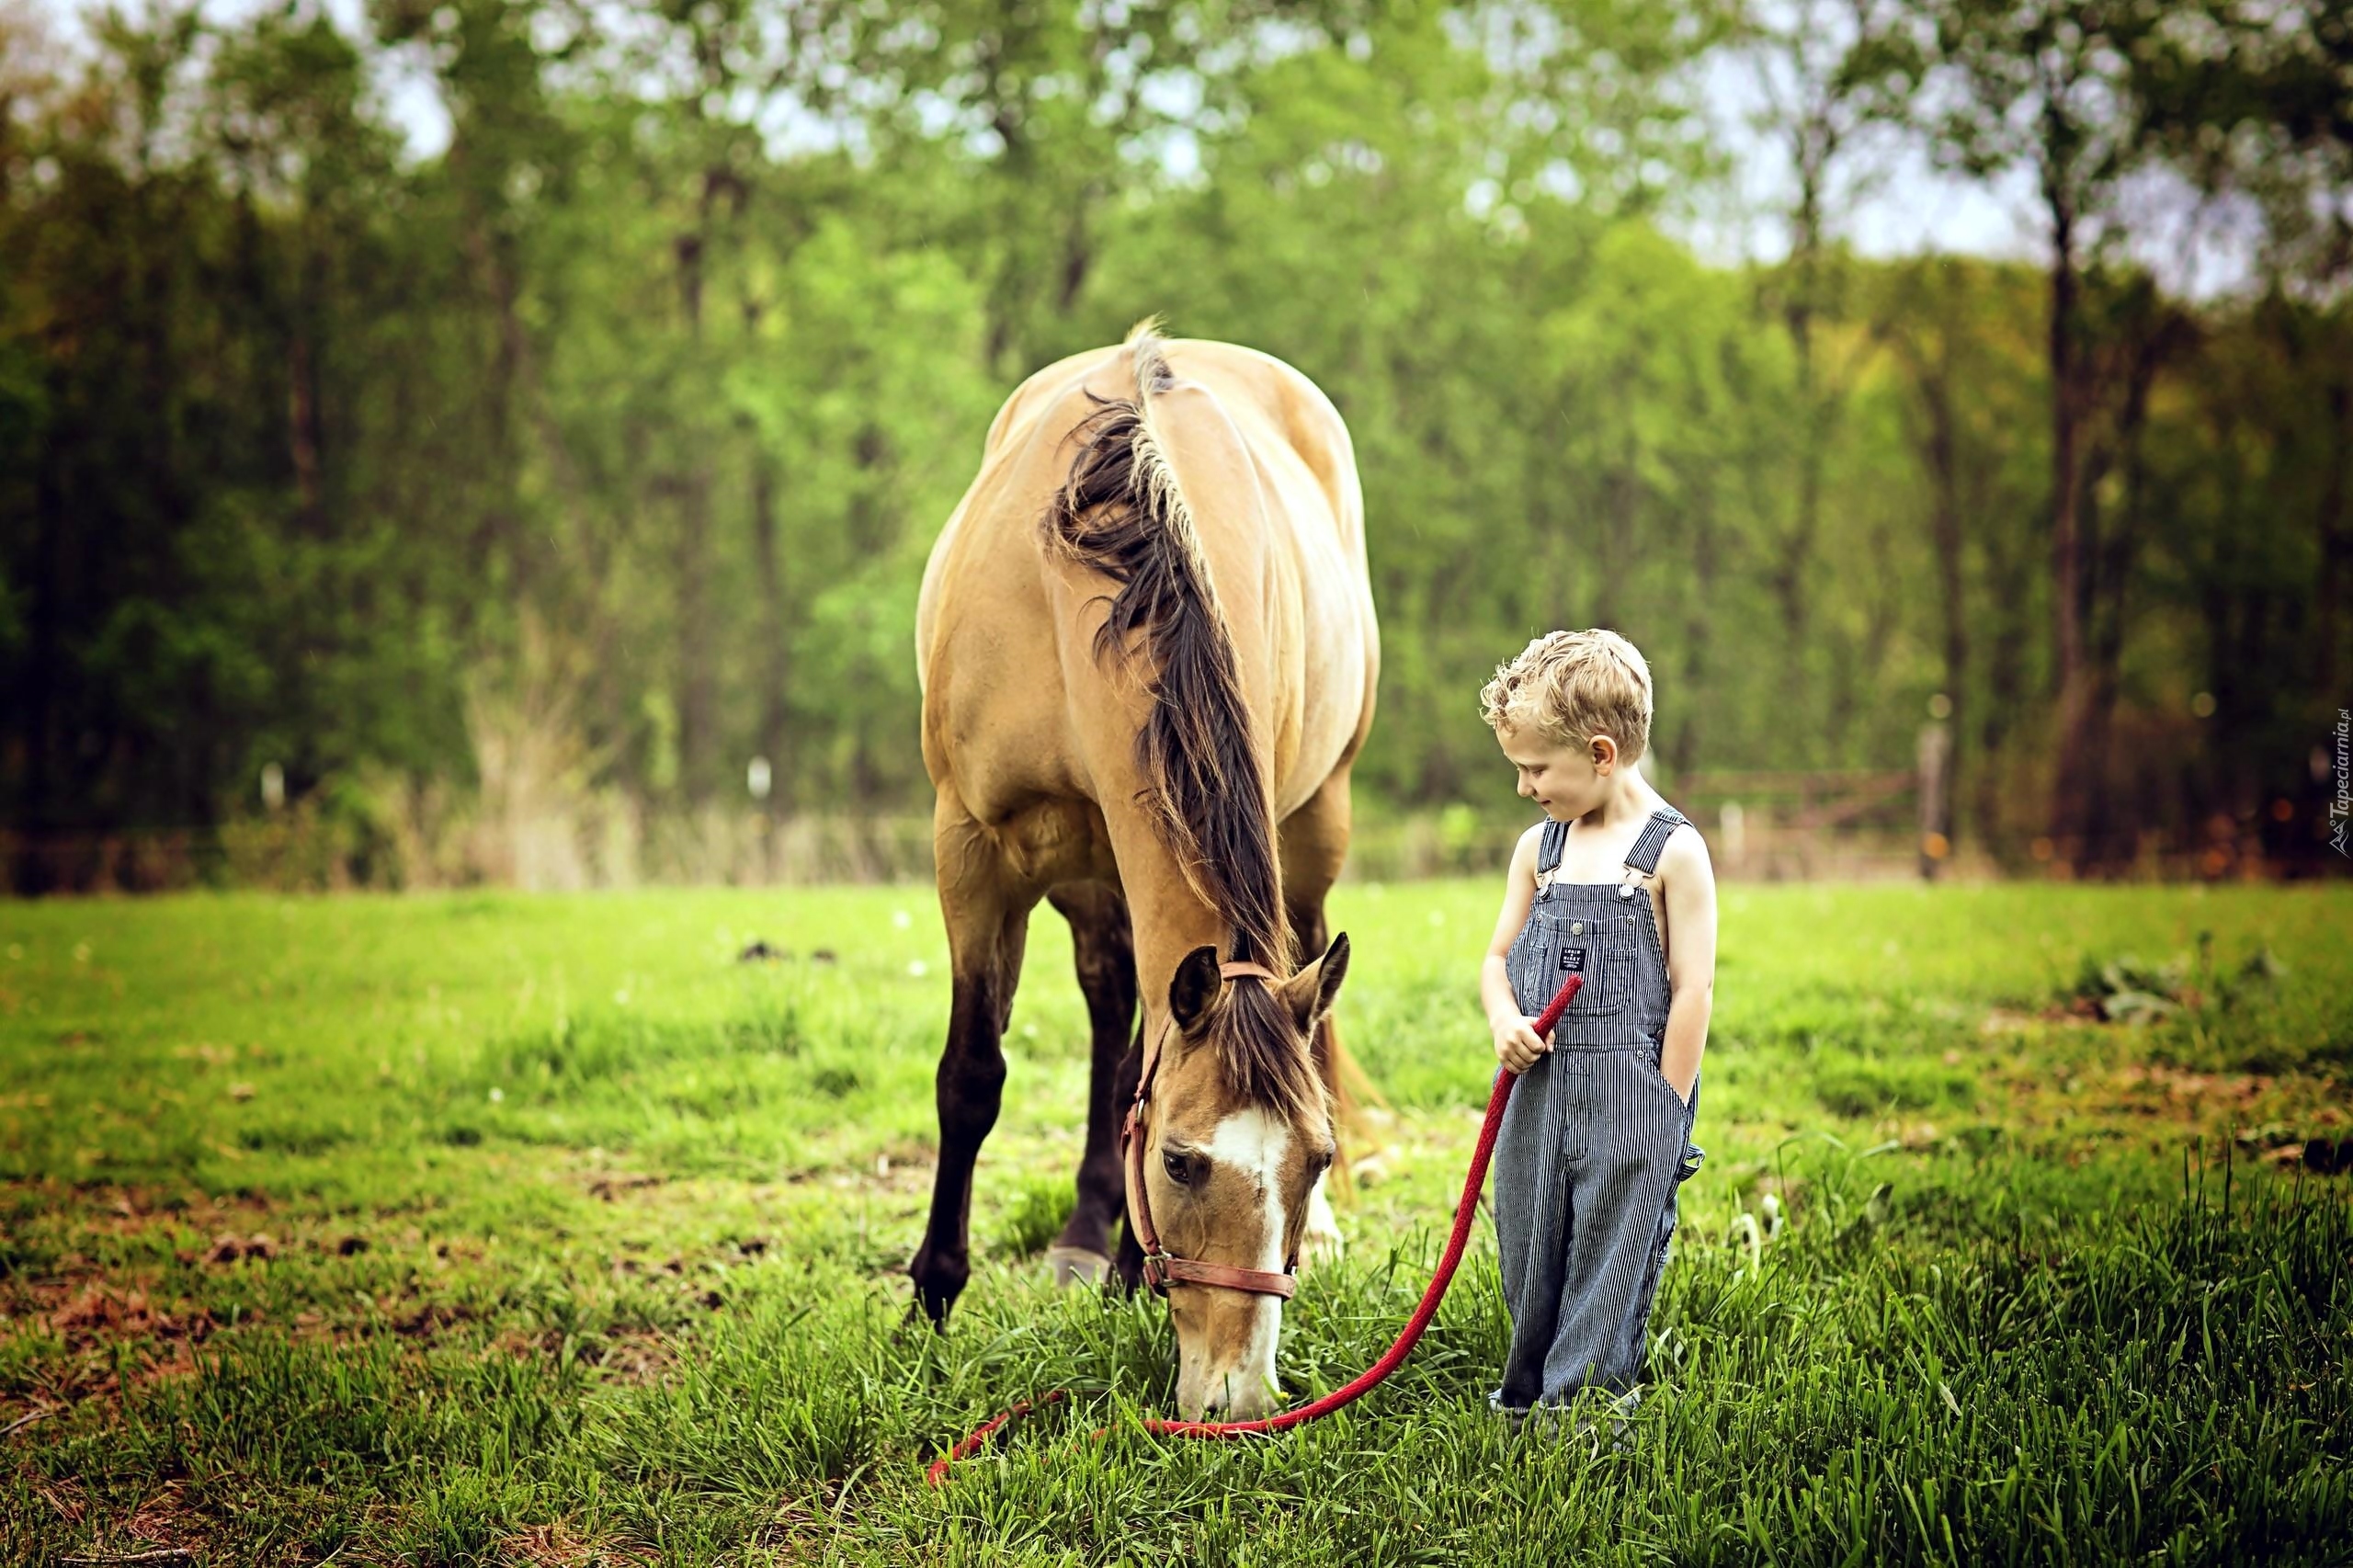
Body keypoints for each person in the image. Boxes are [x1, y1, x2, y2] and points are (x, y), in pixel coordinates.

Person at [1475, 628, 1716, 1434]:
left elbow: (1692, 989)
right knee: (1529, 1239)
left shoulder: (1670, 854)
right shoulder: (1538, 850)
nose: (1524, 787)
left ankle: (1583, 1408)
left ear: (1603, 753)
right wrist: (1505, 1019)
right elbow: (1498, 957)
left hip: (1629, 1090)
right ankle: (1527, 1388)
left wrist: (1665, 1106)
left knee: (1611, 1249)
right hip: (1537, 1090)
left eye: (1537, 769)